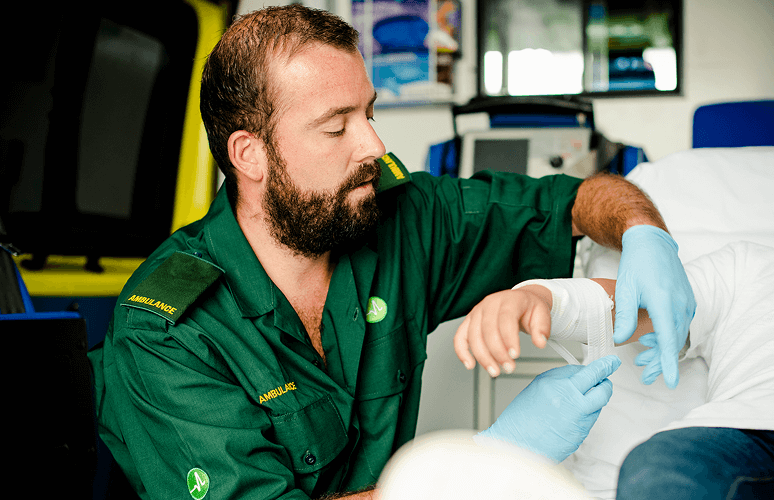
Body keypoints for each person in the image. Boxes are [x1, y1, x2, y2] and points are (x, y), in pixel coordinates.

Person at [87, 5, 695, 499]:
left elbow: (578, 198)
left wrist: (646, 232)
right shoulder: (164, 334)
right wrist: (481, 466)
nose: (374, 145)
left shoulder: (396, 215)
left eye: (370, 112)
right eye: (337, 126)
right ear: (250, 155)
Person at [457, 241, 774, 499]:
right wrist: (540, 299)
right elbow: (651, 305)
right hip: (753, 438)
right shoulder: (753, 266)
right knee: (658, 468)